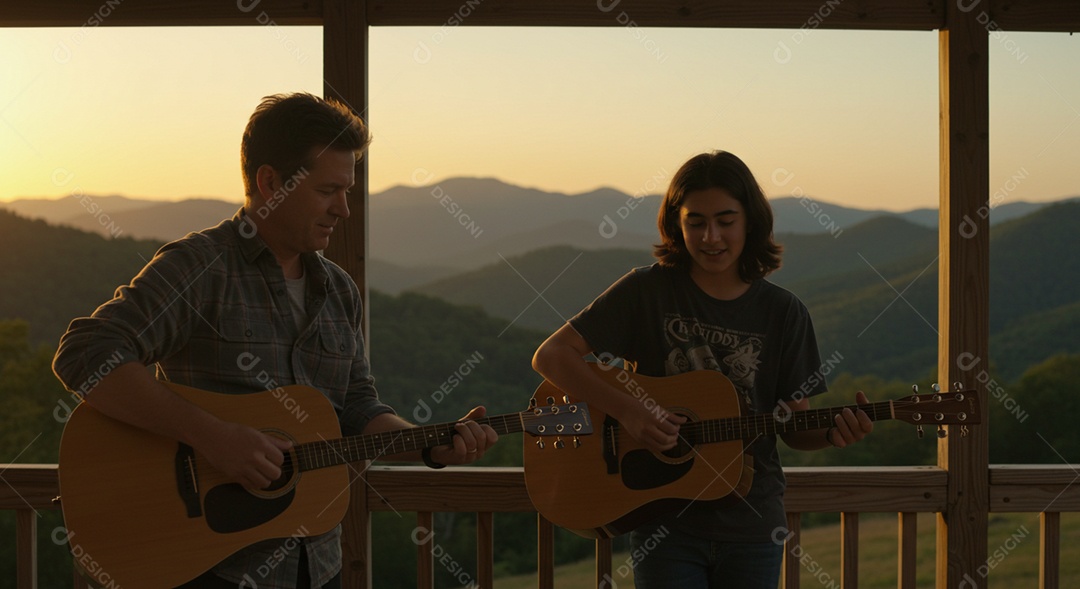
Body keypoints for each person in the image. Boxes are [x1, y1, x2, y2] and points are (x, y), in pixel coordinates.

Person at [52, 92, 498, 589]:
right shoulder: (201, 267)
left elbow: (355, 406)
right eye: (329, 190)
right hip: (209, 567)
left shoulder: (339, 290)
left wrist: (433, 447)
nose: (344, 210)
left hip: (317, 564)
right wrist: (213, 437)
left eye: (347, 191)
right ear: (270, 183)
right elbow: (85, 353)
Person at [531, 150, 873, 588]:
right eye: (696, 222)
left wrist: (832, 432)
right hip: (663, 520)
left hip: (753, 525)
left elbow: (792, 424)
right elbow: (552, 355)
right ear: (677, 223)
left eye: (726, 220)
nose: (711, 237)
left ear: (751, 221)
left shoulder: (784, 313)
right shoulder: (647, 291)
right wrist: (629, 411)